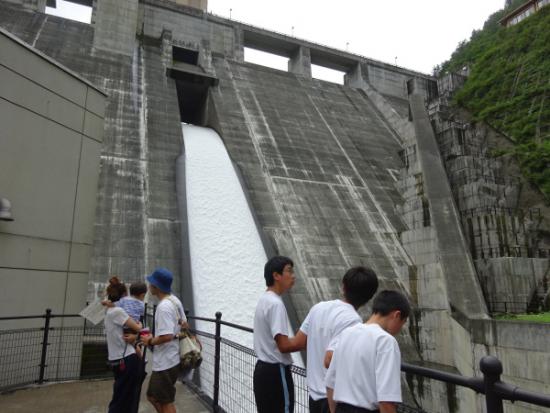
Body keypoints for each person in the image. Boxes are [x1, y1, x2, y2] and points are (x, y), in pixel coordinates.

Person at [299, 266, 379, 413]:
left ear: (343, 286)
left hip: (313, 396)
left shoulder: (318, 308)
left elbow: (299, 341)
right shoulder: (353, 320)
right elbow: (330, 360)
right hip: (332, 400)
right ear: (370, 297)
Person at [326, 290, 411, 413]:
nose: (399, 329)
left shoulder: (347, 333)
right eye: (402, 323)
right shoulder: (385, 341)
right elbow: (386, 399)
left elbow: (330, 383)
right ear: (396, 315)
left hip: (341, 408)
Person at [253, 256, 304, 413]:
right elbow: (283, 345)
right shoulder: (276, 304)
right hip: (276, 372)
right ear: (276, 275)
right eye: (289, 271)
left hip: (262, 370)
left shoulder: (264, 299)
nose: (293, 275)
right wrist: (307, 339)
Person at [141, 268, 185, 413]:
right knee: (153, 396)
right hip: (172, 358)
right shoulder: (174, 300)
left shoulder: (164, 307)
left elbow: (166, 336)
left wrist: (149, 341)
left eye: (151, 283)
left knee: (164, 400)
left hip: (166, 362)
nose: (149, 286)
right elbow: (185, 324)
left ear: (156, 286)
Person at [104, 276, 144, 413]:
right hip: (127, 358)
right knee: (126, 398)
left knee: (121, 395)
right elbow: (139, 328)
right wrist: (140, 325)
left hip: (116, 358)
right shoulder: (118, 312)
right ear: (123, 295)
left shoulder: (109, 311)